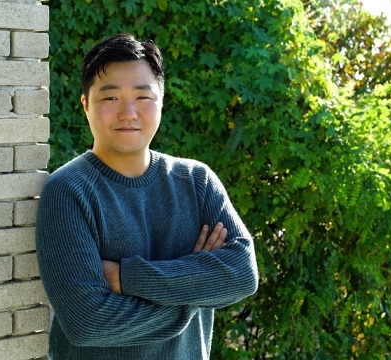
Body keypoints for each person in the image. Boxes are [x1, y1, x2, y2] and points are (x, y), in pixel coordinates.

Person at [35, 33, 259, 360]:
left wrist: (126, 277)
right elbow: (87, 323)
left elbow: (241, 275)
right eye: (110, 98)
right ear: (86, 106)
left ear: (162, 101)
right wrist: (193, 297)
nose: (128, 113)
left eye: (143, 97)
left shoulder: (196, 181)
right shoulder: (68, 191)